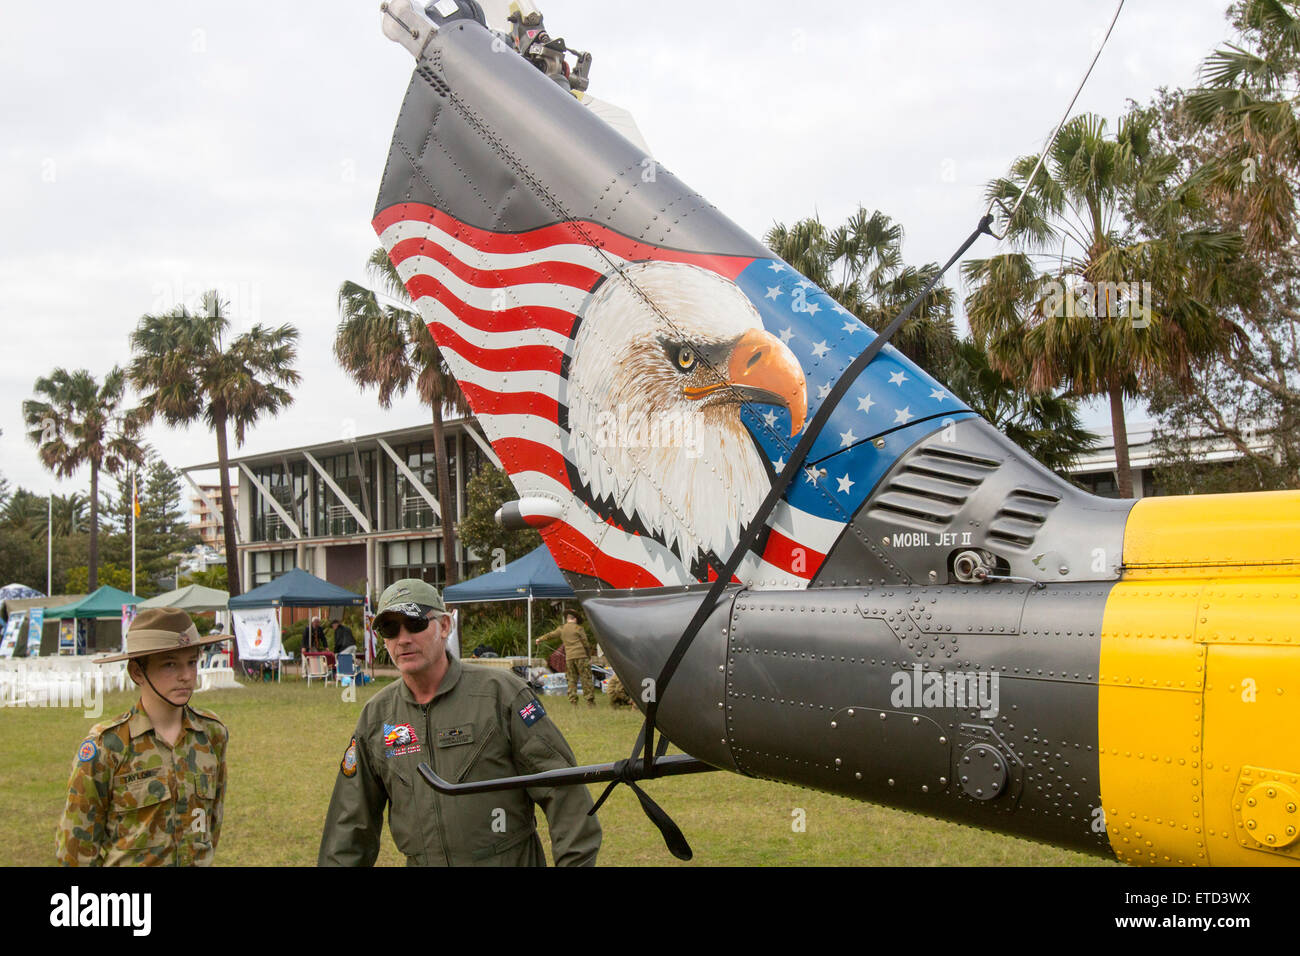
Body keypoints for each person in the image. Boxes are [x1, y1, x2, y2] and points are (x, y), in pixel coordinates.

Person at [318, 579, 602, 866]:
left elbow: (564, 789)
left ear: (443, 626)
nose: (403, 638)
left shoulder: (501, 694)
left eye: (415, 623)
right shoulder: (377, 717)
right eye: (390, 628)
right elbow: (350, 823)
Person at [55, 607, 229, 867]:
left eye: (191, 662)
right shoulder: (108, 746)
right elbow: (76, 850)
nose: (186, 676)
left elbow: (209, 828)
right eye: (170, 664)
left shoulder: (211, 735)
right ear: (137, 672)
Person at [540, 610, 596, 706]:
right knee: (586, 678)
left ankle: (573, 702)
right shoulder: (579, 628)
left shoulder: (562, 628)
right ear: (575, 619)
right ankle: (590, 702)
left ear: (567, 618)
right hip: (581, 656)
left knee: (571, 679)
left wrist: (540, 639)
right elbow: (585, 643)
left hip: (569, 658)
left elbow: (551, 635)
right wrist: (589, 656)